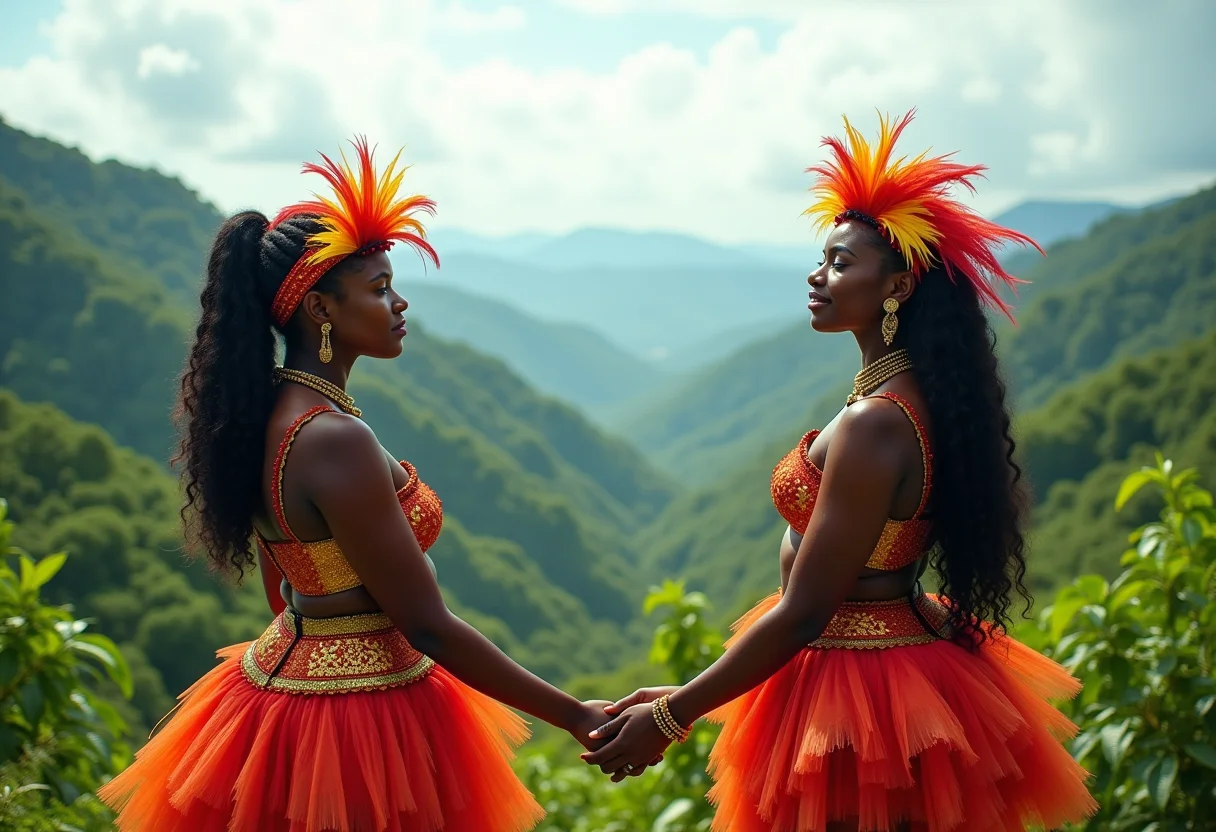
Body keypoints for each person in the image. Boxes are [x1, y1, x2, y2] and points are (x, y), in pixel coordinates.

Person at [583, 110, 1100, 831]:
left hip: (856, 690)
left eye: (839, 263)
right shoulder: (905, 400)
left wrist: (672, 716)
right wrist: (683, 695)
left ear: (899, 287)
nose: (817, 275)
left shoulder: (875, 423)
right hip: (878, 669)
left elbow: (804, 610)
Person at [98, 138, 620, 831]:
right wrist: (576, 714)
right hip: (360, 709)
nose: (398, 304)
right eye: (378, 289)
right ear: (319, 308)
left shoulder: (267, 417)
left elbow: (283, 584)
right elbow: (428, 622)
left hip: (283, 677)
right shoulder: (333, 437)